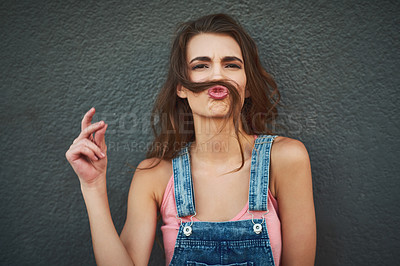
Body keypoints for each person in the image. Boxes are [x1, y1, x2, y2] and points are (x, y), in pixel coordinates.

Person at [66, 13, 316, 266]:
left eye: (231, 65)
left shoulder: (285, 159)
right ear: (181, 87)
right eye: (200, 66)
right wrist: (93, 186)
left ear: (247, 84)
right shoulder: (154, 176)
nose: (217, 76)